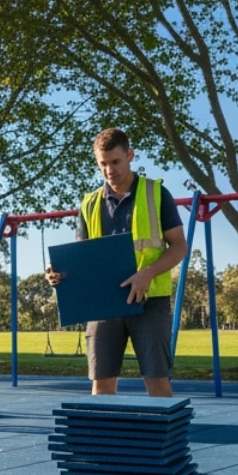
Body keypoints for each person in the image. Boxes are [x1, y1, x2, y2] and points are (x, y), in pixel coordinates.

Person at [47, 128, 188, 396]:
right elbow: (83, 258)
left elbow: (180, 246)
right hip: (103, 304)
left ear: (129, 156)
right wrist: (58, 273)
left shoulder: (157, 194)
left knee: (157, 381)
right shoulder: (88, 203)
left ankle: (159, 437)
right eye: (103, 163)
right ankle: (102, 438)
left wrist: (147, 273)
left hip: (150, 301)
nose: (109, 170)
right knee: (101, 384)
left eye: (115, 162)